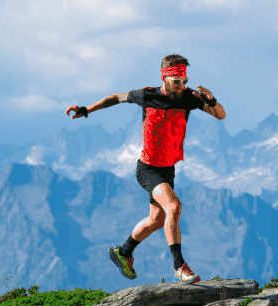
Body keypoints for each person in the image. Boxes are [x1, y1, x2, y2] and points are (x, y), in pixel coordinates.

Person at [65, 54, 226, 284]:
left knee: (157, 220)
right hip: (148, 169)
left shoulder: (189, 97)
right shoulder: (147, 95)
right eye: (177, 81)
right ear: (164, 77)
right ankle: (179, 266)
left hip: (168, 169)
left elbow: (221, 115)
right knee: (174, 206)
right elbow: (115, 98)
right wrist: (87, 109)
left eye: (184, 80)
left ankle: (123, 252)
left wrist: (211, 100)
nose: (182, 85)